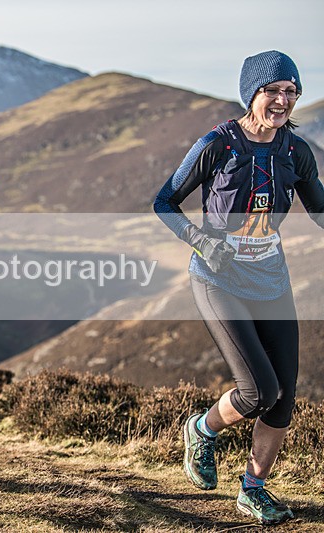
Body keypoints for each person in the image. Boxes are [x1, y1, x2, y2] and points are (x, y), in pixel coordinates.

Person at [154, 51, 324, 525]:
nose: (282, 100)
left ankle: (253, 489)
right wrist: (201, 241)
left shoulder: (296, 152)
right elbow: (164, 201)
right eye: (273, 91)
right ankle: (201, 430)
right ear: (252, 93)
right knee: (257, 391)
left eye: (291, 93)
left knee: (284, 396)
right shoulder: (218, 143)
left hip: (272, 281)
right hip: (218, 279)